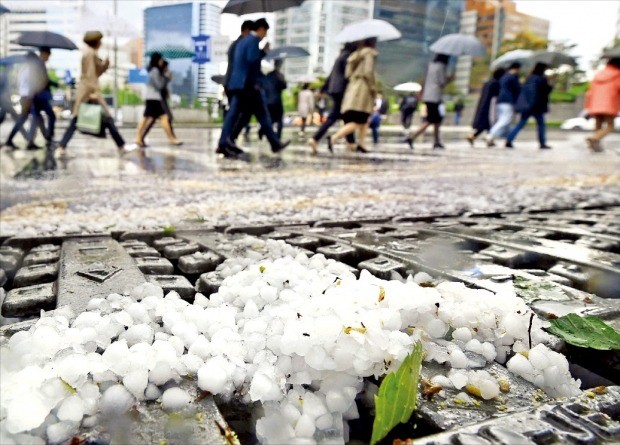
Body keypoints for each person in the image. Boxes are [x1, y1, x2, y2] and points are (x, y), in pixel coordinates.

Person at [217, 18, 289, 159]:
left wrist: (262, 52)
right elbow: (252, 61)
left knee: (240, 113)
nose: (265, 35)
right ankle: (273, 143)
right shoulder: (253, 40)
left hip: (240, 84)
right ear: (261, 28)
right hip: (248, 85)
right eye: (265, 31)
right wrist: (258, 79)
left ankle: (225, 141)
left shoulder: (243, 41)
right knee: (258, 114)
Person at [55, 31, 129, 157]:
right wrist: (93, 93)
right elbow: (90, 76)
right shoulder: (90, 53)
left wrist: (105, 64)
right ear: (96, 41)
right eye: (100, 40)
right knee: (104, 119)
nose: (101, 43)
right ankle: (121, 146)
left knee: (81, 120)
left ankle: (62, 147)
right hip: (88, 91)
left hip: (87, 91)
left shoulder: (91, 53)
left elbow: (96, 72)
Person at [328, 38, 378, 154]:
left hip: (353, 88)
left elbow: (347, 73)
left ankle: (361, 144)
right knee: (359, 120)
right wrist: (373, 87)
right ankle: (333, 138)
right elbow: (368, 72)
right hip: (363, 89)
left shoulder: (354, 55)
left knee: (363, 118)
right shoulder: (369, 53)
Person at [308, 43, 357, 154]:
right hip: (342, 91)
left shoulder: (340, 56)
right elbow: (348, 75)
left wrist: (323, 89)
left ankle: (351, 143)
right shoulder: (347, 57)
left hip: (334, 90)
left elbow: (331, 75)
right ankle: (315, 138)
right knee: (336, 117)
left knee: (346, 117)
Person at [406, 54, 453, 150]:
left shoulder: (431, 65)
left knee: (437, 119)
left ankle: (436, 141)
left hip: (427, 95)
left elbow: (425, 80)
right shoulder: (441, 67)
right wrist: (450, 78)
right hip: (434, 96)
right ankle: (412, 136)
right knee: (431, 119)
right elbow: (442, 82)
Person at [135, 53, 181, 147]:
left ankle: (139, 138)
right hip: (154, 98)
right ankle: (172, 139)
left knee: (146, 118)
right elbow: (159, 85)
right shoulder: (155, 71)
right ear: (157, 60)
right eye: (160, 60)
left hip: (151, 97)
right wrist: (167, 77)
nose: (161, 61)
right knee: (164, 118)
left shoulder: (152, 70)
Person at [3, 51, 47, 150]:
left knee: (32, 118)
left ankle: (28, 141)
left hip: (24, 96)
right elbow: (31, 84)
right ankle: (25, 142)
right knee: (29, 119)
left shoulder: (23, 69)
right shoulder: (30, 69)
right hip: (28, 97)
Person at [504, 63, 552, 149]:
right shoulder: (541, 79)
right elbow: (546, 91)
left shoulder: (529, 78)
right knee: (541, 124)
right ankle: (542, 143)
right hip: (537, 106)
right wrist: (549, 83)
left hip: (527, 105)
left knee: (521, 123)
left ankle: (509, 139)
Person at [584, 57, 620, 152]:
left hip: (595, 103)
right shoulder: (617, 74)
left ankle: (596, 146)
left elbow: (590, 90)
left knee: (598, 125)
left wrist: (588, 104)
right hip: (610, 103)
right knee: (610, 126)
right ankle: (595, 138)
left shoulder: (598, 74)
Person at [486, 62, 521, 147]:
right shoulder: (512, 77)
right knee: (505, 120)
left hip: (500, 100)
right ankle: (491, 135)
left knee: (505, 121)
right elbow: (518, 88)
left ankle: (507, 140)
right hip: (507, 101)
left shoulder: (504, 77)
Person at [467, 68, 505, 146]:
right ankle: (487, 139)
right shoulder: (496, 83)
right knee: (489, 123)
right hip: (490, 106)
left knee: (485, 125)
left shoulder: (488, 82)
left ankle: (484, 138)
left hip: (483, 104)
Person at [261, 59, 287, 139]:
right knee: (279, 120)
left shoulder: (268, 75)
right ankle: (277, 137)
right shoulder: (280, 76)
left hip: (268, 100)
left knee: (271, 119)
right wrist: (283, 81)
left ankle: (263, 130)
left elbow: (264, 86)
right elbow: (284, 86)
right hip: (277, 101)